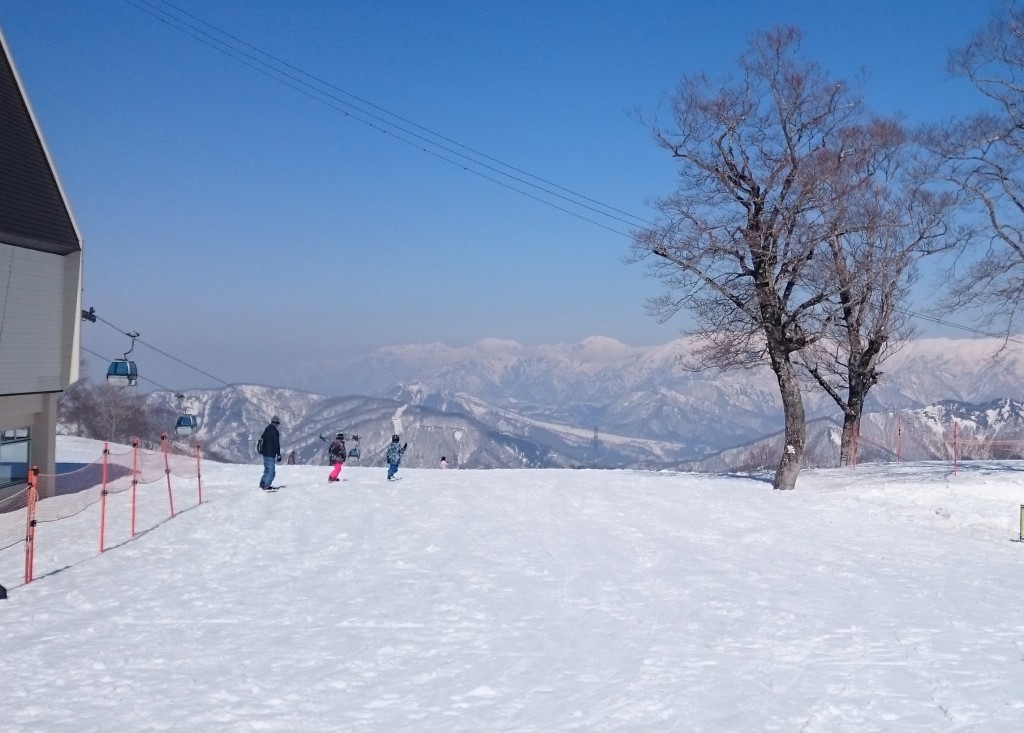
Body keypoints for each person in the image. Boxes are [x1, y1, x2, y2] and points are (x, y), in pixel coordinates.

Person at [257, 415, 282, 490]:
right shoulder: (275, 432)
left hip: (265, 453)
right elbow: (276, 444)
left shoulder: (267, 429)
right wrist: (278, 454)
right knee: (271, 471)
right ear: (277, 423)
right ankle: (266, 485)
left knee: (267, 469)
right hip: (270, 453)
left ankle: (263, 483)